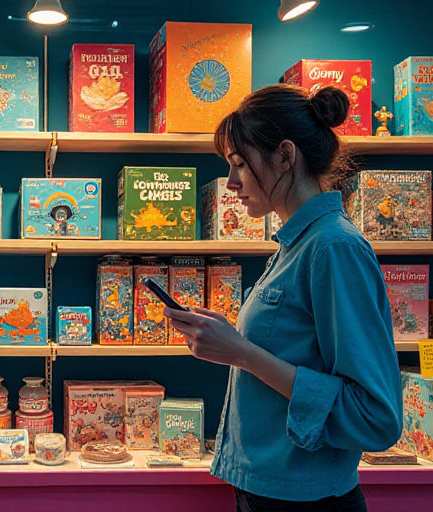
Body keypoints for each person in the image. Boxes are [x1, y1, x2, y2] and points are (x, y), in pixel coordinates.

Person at [165, 84, 402, 512]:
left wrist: (241, 353)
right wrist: (226, 341)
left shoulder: (333, 247)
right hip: (268, 493)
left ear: (285, 156)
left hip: (307, 502)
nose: (231, 183)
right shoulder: (297, 245)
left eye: (240, 164)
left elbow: (376, 416)